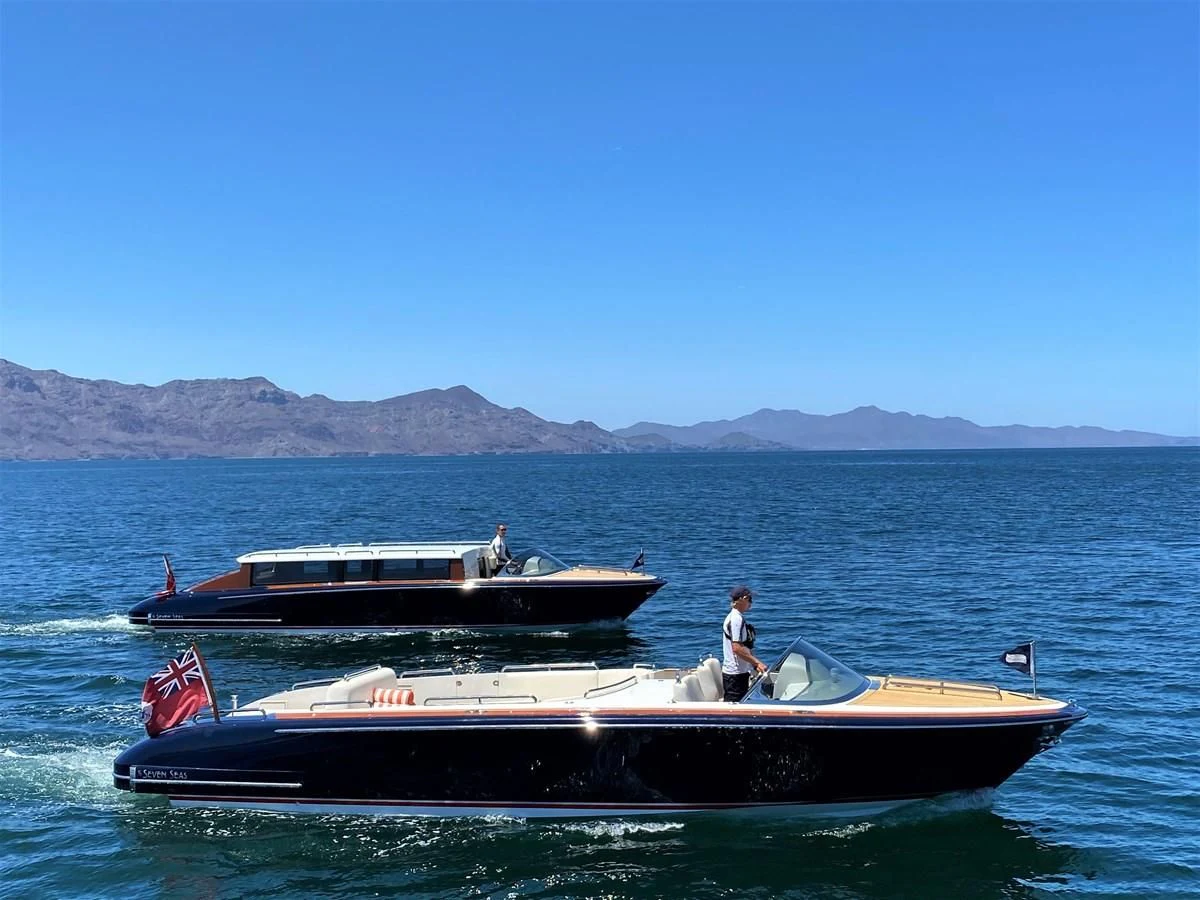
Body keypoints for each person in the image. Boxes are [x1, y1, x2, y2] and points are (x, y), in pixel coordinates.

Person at [722, 584, 767, 701]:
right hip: (735, 674)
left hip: (739, 672)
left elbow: (743, 646)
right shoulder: (736, 619)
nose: (751, 603)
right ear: (743, 599)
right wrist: (757, 663)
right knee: (734, 708)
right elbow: (736, 648)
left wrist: (752, 664)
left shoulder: (737, 617)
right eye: (750, 600)